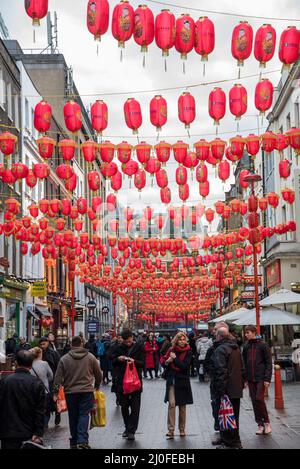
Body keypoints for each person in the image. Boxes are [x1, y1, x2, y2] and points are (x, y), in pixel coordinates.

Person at [53, 336, 102, 449]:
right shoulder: (91, 357)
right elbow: (98, 374)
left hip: (70, 392)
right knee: (84, 415)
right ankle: (82, 440)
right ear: (82, 344)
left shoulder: (64, 359)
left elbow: (58, 377)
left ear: (71, 345)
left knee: (73, 416)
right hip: (86, 391)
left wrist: (55, 392)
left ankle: (74, 439)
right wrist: (97, 385)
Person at [0, 350, 45, 450]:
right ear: (31, 365)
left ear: (16, 363)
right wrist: (38, 432)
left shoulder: (5, 381)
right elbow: (40, 410)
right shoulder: (36, 383)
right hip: (29, 432)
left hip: (8, 432)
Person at [212, 328, 244, 449]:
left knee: (226, 415)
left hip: (226, 389)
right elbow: (242, 367)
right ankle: (236, 441)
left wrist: (221, 390)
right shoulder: (235, 348)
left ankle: (230, 443)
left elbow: (221, 371)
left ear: (219, 337)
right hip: (236, 388)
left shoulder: (221, 350)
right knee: (234, 416)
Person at [112, 330, 144, 441]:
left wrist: (133, 361)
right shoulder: (117, 348)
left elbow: (142, 363)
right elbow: (111, 361)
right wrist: (118, 359)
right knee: (124, 406)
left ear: (132, 338)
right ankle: (127, 427)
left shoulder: (139, 347)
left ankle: (131, 431)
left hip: (135, 381)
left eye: (129, 341)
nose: (128, 343)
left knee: (135, 408)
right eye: (125, 342)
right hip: (122, 381)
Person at [243, 325, 272, 436]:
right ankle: (260, 425)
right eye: (246, 333)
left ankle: (267, 423)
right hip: (250, 378)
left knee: (259, 399)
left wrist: (267, 379)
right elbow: (245, 363)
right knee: (254, 401)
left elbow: (269, 363)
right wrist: (245, 378)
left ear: (254, 332)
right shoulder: (246, 346)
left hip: (261, 377)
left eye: (248, 332)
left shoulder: (263, 345)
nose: (246, 335)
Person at [162, 332, 193, 439]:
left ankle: (182, 429)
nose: (182, 341)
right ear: (176, 340)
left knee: (182, 406)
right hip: (172, 380)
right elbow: (164, 363)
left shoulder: (188, 351)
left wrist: (174, 359)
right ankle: (171, 430)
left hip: (183, 381)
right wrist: (167, 361)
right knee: (172, 404)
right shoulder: (171, 350)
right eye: (180, 339)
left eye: (184, 339)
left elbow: (185, 366)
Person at [204, 322, 229, 434]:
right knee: (215, 404)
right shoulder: (212, 348)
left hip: (227, 382)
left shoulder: (230, 347)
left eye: (216, 329)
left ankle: (227, 430)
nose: (213, 331)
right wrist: (212, 372)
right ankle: (218, 426)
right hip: (215, 382)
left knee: (226, 407)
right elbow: (206, 364)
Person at [39, 336, 61, 426]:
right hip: (43, 380)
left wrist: (58, 379)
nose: (42, 346)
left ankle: (57, 413)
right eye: (41, 344)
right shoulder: (39, 353)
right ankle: (46, 420)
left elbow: (58, 366)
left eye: (44, 344)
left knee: (54, 399)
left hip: (53, 380)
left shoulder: (53, 353)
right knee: (46, 401)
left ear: (48, 343)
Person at [30, 347, 54, 428]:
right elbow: (51, 376)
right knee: (45, 409)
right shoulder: (45, 364)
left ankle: (35, 424)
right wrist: (45, 380)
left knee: (34, 409)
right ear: (40, 354)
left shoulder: (29, 364)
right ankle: (44, 424)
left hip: (31, 391)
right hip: (44, 390)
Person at [110, 334, 123, 406]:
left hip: (123, 368)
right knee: (115, 383)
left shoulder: (126, 346)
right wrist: (117, 358)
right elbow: (110, 356)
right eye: (119, 338)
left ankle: (121, 397)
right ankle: (118, 397)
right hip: (116, 368)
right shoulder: (113, 346)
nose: (120, 339)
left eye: (121, 338)